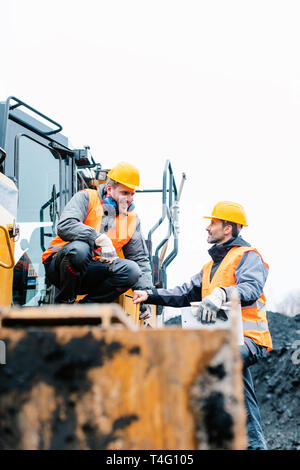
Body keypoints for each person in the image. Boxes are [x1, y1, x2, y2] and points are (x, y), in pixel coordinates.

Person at [133, 201, 273, 450]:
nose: (207, 228)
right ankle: (252, 445)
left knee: (209, 363)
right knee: (238, 386)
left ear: (228, 228)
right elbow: (184, 293)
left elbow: (250, 288)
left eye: (213, 223)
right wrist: (150, 295)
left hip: (250, 340)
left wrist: (221, 293)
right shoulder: (210, 267)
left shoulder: (249, 256)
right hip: (226, 340)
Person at [42, 161, 153, 309]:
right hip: (60, 268)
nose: (130, 199)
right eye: (124, 193)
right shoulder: (87, 198)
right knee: (80, 249)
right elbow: (65, 225)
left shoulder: (132, 219)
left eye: (132, 194)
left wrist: (145, 293)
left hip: (93, 271)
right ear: (109, 189)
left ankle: (85, 310)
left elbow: (139, 258)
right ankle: (64, 303)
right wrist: (98, 239)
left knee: (132, 270)